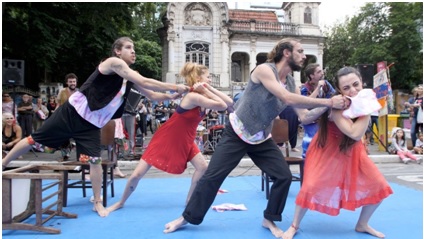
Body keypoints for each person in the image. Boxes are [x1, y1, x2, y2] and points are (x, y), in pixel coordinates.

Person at [164, 38, 347, 237]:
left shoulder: (292, 81)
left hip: (261, 138)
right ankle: (186, 217)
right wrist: (329, 101)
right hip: (237, 132)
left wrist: (331, 108)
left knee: (283, 176)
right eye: (300, 51)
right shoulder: (264, 70)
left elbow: (304, 115)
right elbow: (286, 98)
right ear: (286, 53)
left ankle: (269, 218)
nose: (304, 56)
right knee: (212, 177)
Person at [2, 36, 188, 217]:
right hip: (72, 113)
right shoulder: (112, 62)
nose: (133, 52)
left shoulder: (131, 77)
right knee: (33, 139)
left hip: (91, 124)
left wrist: (173, 96)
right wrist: (175, 86)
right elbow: (146, 81)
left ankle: (97, 201)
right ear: (117, 51)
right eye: (129, 48)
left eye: (134, 49)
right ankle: (3, 164)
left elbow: (153, 95)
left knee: (95, 161)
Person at [106, 62, 233, 214]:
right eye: (208, 77)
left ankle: (189, 201)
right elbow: (221, 105)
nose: (210, 79)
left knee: (203, 167)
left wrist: (207, 88)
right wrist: (205, 89)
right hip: (168, 137)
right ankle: (121, 202)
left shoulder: (202, 94)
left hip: (186, 138)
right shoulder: (193, 97)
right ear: (199, 78)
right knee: (137, 174)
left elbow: (229, 103)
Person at [283, 66, 394, 239]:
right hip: (326, 150)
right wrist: (368, 109)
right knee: (310, 187)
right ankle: (294, 225)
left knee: (379, 186)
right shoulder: (337, 106)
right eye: (346, 88)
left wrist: (368, 105)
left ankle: (362, 224)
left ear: (362, 82)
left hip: (352, 151)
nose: (353, 90)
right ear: (340, 90)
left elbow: (356, 136)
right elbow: (355, 133)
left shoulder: (365, 100)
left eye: (356, 84)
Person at [300, 63, 336, 158]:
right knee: (311, 143)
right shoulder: (305, 88)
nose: (322, 73)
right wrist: (318, 88)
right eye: (319, 72)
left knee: (325, 145)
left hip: (324, 120)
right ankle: (307, 161)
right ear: (312, 76)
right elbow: (306, 103)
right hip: (311, 120)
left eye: (321, 71)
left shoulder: (326, 84)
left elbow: (333, 96)